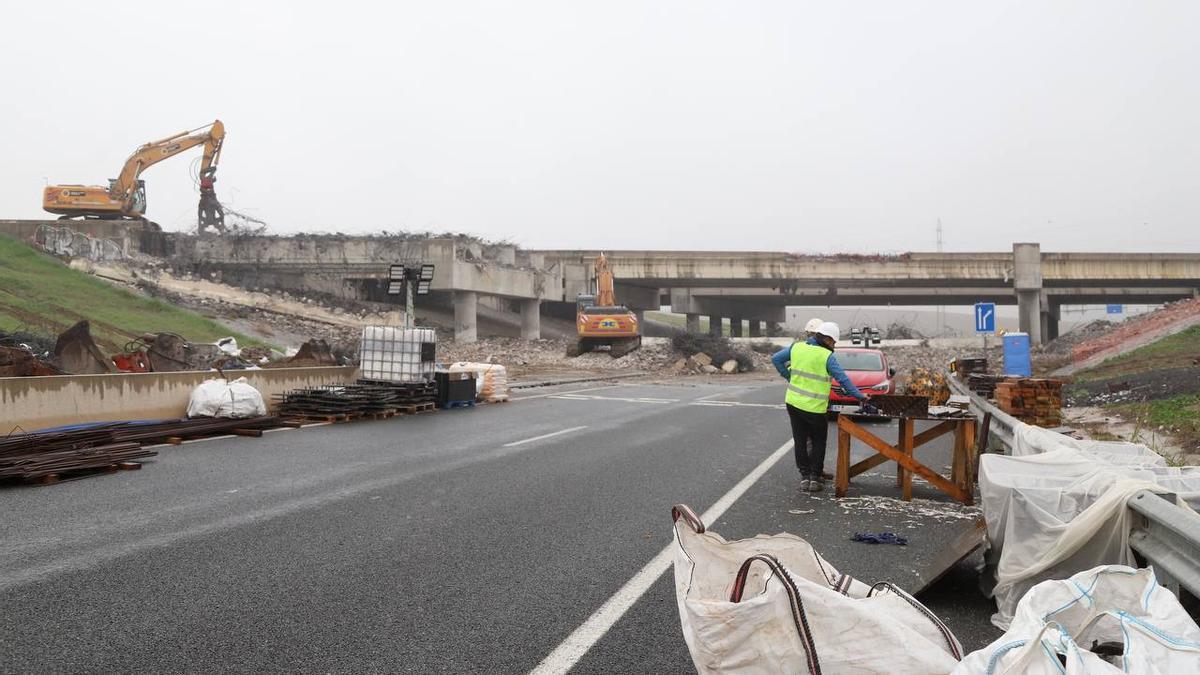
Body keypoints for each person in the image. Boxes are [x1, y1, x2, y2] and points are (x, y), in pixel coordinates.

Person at [771, 321, 875, 492]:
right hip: (815, 408)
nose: (834, 345)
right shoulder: (826, 356)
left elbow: (776, 359)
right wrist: (860, 396)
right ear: (827, 339)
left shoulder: (797, 347)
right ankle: (814, 478)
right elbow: (843, 379)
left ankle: (804, 477)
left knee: (800, 441)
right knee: (819, 442)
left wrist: (789, 376)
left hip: (794, 403)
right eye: (834, 342)